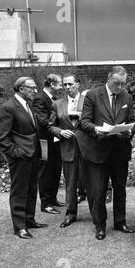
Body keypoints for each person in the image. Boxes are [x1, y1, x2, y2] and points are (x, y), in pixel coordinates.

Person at [76, 66, 135, 240]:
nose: (120, 86)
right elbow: (84, 122)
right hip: (97, 151)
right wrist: (96, 129)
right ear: (109, 78)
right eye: (117, 83)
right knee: (98, 190)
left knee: (120, 189)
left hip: (119, 150)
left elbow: (132, 121)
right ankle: (100, 225)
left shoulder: (127, 97)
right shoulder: (93, 95)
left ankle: (120, 222)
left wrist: (130, 131)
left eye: (122, 83)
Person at [0, 77, 47, 239]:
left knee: (32, 188)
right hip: (21, 158)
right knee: (19, 191)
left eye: (34, 88)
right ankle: (19, 227)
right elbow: (2, 138)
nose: (35, 90)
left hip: (33, 155)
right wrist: (17, 153)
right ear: (20, 89)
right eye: (31, 88)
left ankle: (29, 220)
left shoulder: (27, 105)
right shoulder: (9, 107)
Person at [49, 73, 85, 228]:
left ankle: (98, 215)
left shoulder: (88, 101)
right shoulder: (57, 104)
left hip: (88, 149)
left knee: (94, 182)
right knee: (70, 184)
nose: (68, 87)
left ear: (78, 84)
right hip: (68, 149)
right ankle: (71, 214)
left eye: (70, 84)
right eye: (65, 85)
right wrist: (60, 132)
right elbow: (50, 125)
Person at [32, 74, 64, 215]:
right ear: (52, 84)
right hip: (44, 141)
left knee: (56, 169)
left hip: (55, 140)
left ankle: (53, 198)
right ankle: (46, 203)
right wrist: (58, 128)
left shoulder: (54, 99)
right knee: (45, 170)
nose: (62, 87)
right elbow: (42, 121)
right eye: (60, 84)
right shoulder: (40, 98)